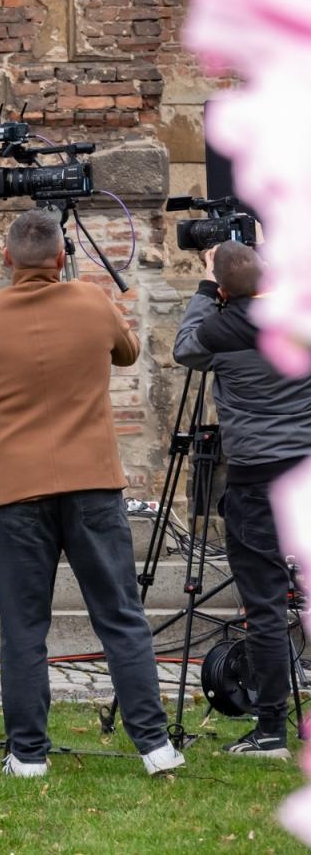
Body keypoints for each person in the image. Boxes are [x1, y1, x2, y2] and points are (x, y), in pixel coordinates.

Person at [0, 208, 183, 778]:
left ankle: (28, 754)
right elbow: (128, 352)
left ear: (7, 258)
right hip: (92, 485)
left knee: (24, 629)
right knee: (121, 617)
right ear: (61, 257)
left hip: (18, 490)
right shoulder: (89, 300)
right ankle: (154, 746)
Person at [173, 239, 311, 758]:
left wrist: (210, 286)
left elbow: (185, 347)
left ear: (227, 290)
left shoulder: (221, 330)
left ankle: (272, 727)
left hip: (256, 483)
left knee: (266, 604)